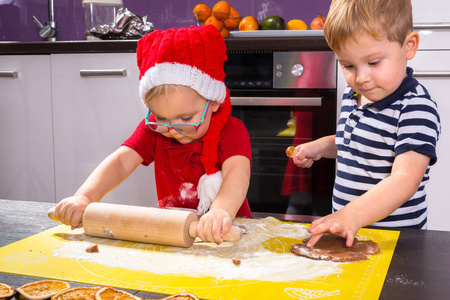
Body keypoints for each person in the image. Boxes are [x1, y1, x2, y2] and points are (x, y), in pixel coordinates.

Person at [54, 25, 252, 245]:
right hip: (173, 233)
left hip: (226, 233)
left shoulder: (231, 130)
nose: (171, 128)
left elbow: (237, 171)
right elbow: (120, 162)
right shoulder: (154, 130)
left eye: (186, 119)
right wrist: (85, 197)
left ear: (213, 101)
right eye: (160, 117)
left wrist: (220, 211)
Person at [290, 0, 441, 247]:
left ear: (409, 46)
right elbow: (353, 144)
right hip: (350, 234)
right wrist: (320, 147)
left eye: (373, 63)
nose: (361, 78)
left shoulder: (415, 108)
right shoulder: (354, 97)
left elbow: (405, 179)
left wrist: (351, 215)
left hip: (395, 244)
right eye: (348, 65)